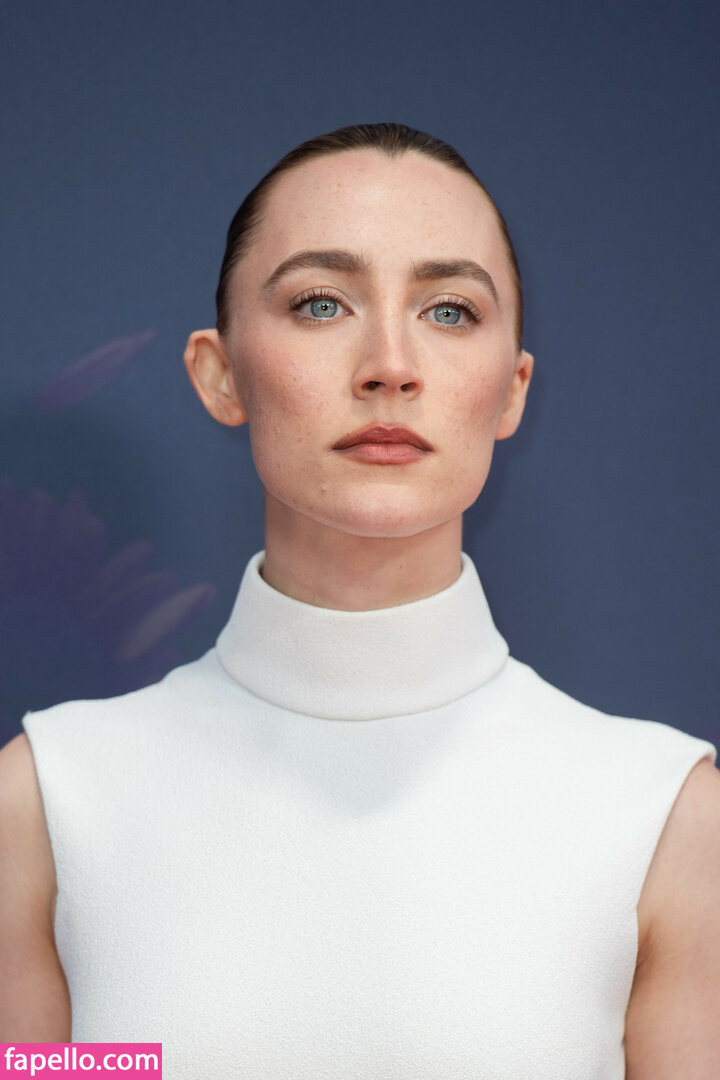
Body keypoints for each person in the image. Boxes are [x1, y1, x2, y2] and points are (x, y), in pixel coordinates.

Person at [1, 122, 719, 1077]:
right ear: (220, 373)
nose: (390, 364)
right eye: (321, 303)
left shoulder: (663, 818)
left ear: (512, 391)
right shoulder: (47, 804)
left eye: (450, 310)